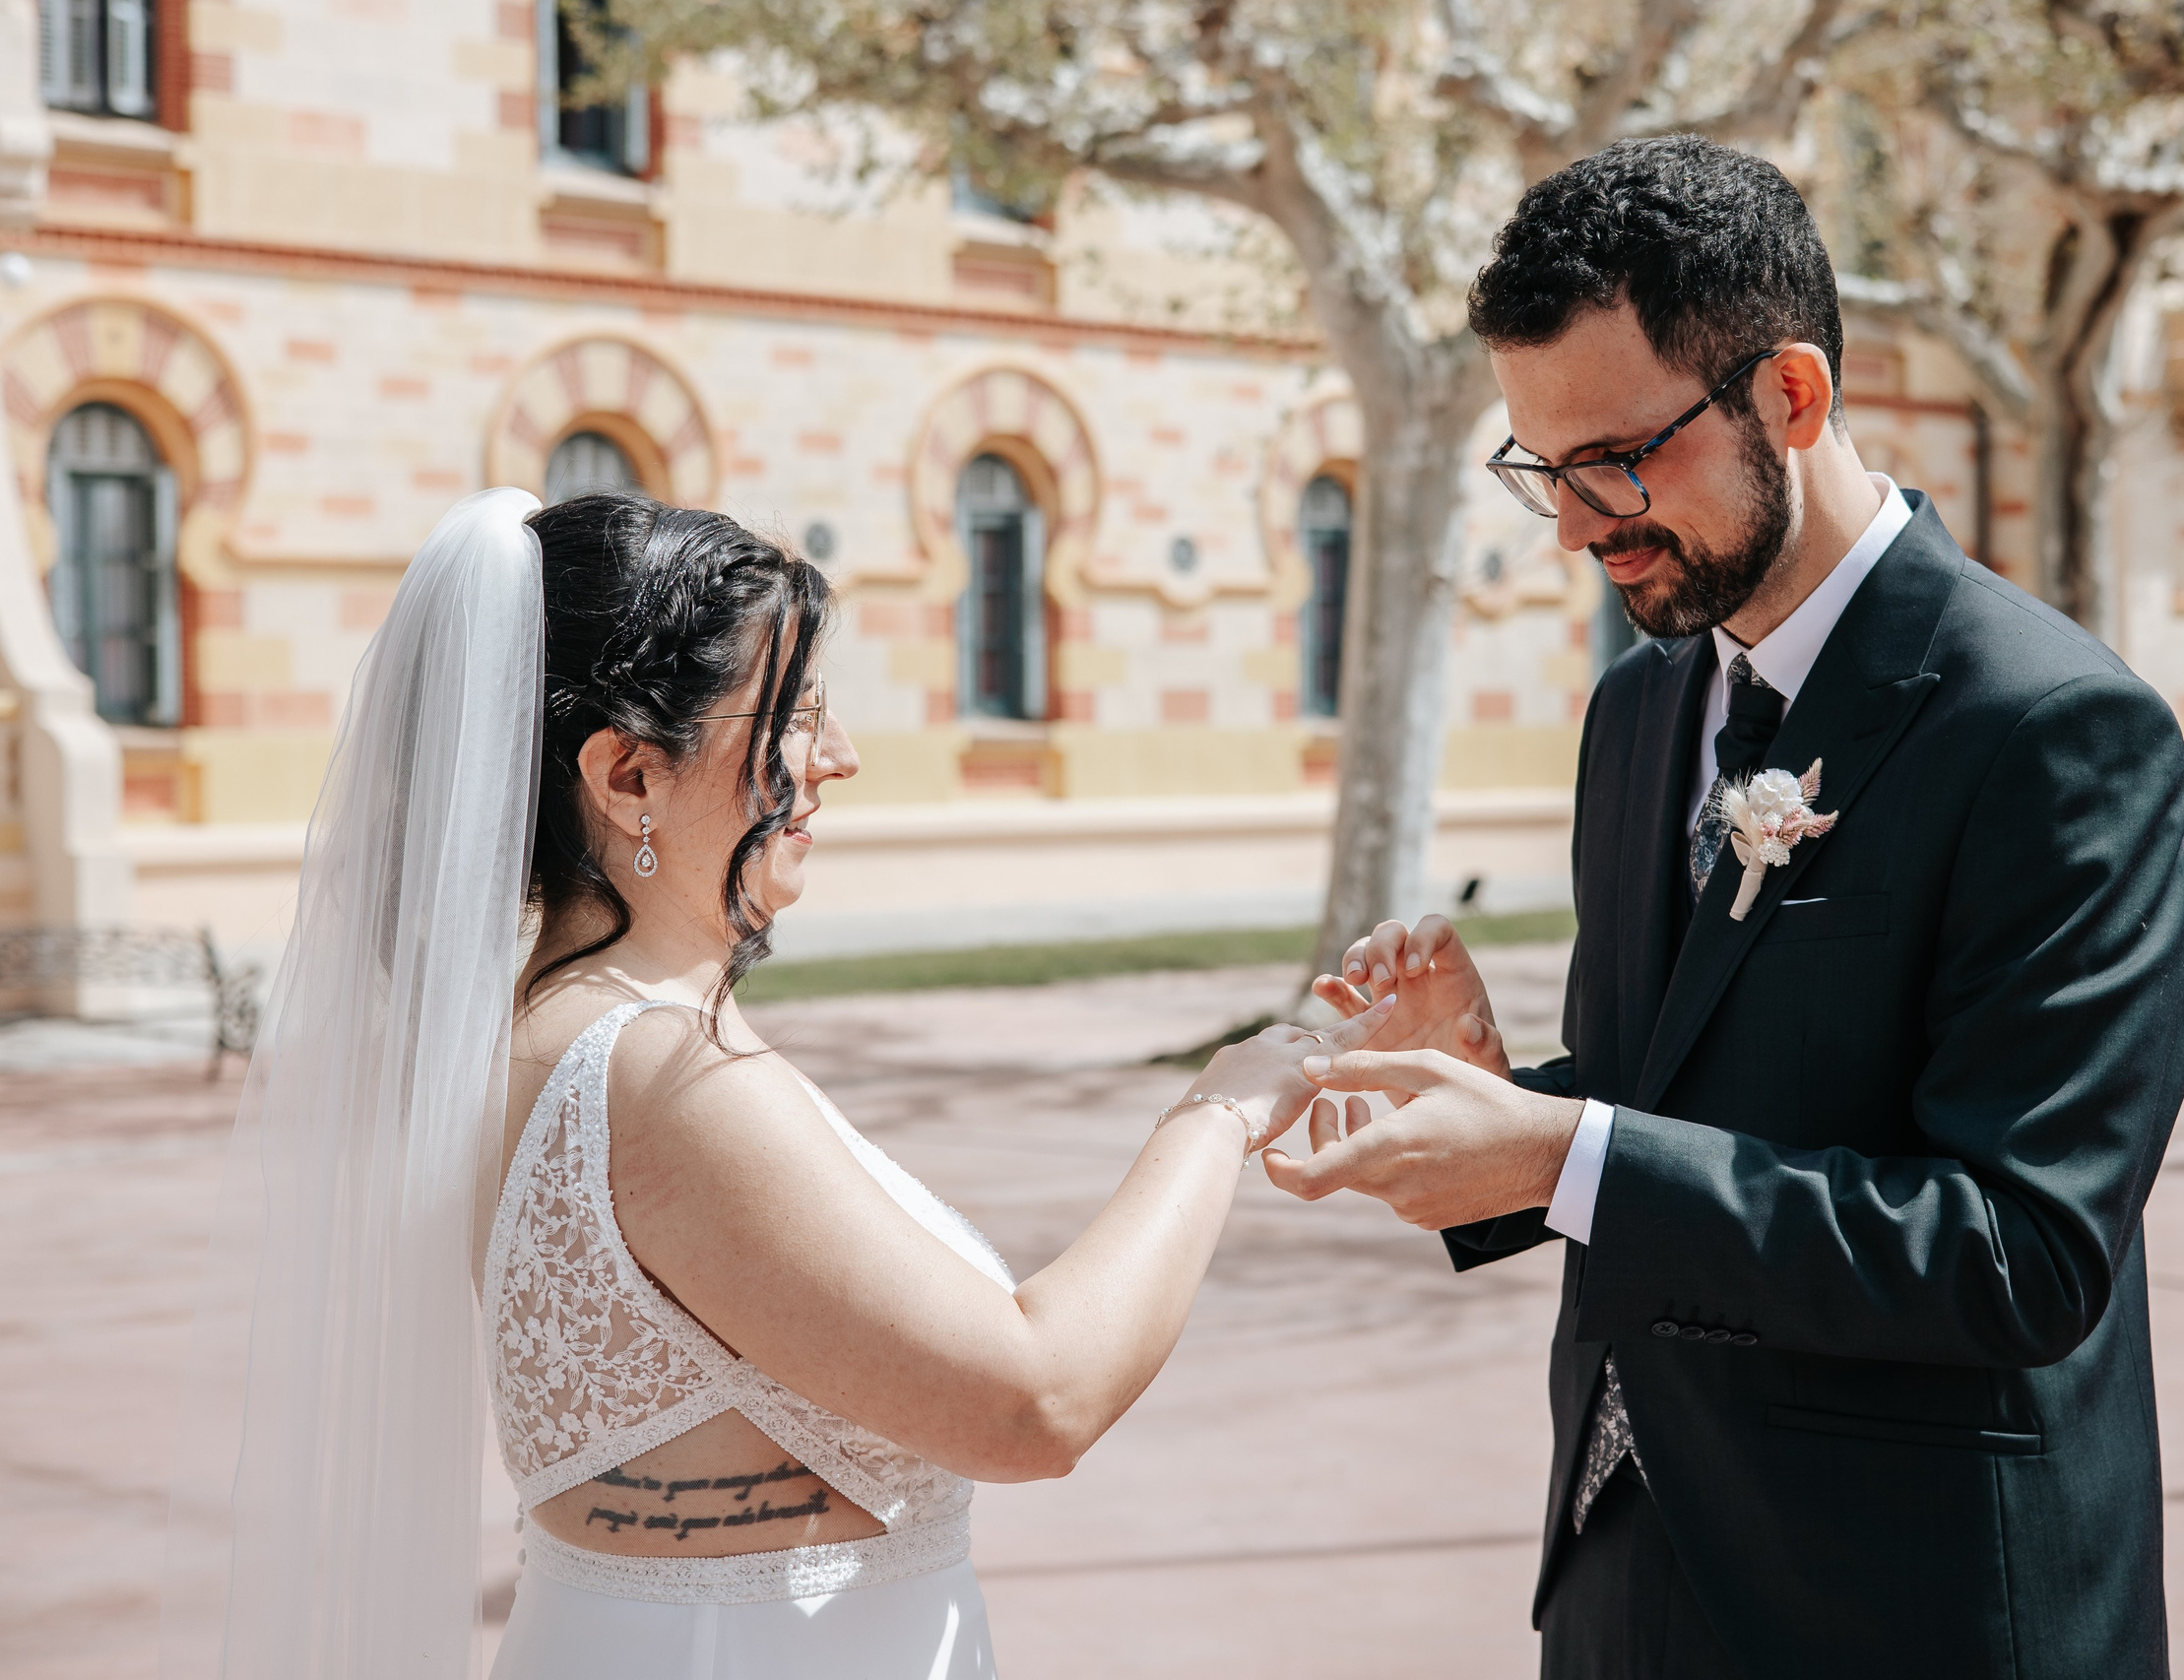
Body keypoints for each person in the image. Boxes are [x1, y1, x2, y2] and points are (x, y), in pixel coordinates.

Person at [163, 487, 1381, 1680]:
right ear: (628, 775)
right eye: (794, 714)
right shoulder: (663, 1077)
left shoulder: (531, 1027)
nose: (839, 759)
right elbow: (1037, 1397)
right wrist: (1221, 1108)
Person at [1272, 137, 2184, 1679]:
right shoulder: (1636, 715)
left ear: (1792, 395)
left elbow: (2019, 1249)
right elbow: (1694, 1107)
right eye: (1542, 472)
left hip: (1918, 1609)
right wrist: (1505, 1108)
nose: (1577, 526)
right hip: (1626, 1570)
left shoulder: (2055, 731)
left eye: (1618, 459)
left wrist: (1563, 1152)